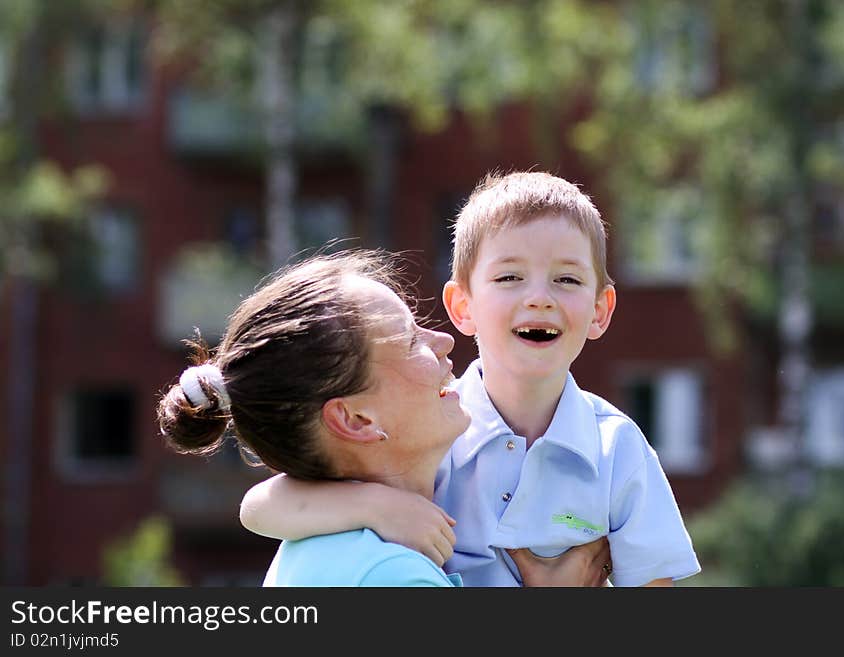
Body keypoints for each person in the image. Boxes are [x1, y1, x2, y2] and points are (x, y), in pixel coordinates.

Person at [240, 171, 700, 586]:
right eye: (510, 277)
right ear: (463, 307)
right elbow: (260, 507)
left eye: (567, 280)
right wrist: (376, 507)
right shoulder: (427, 437)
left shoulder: (618, 450)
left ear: (600, 312)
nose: (539, 298)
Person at [158, 250, 611, 587]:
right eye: (411, 340)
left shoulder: (330, 541)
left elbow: (260, 503)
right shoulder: (392, 576)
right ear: (356, 420)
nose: (444, 342)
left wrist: (369, 506)